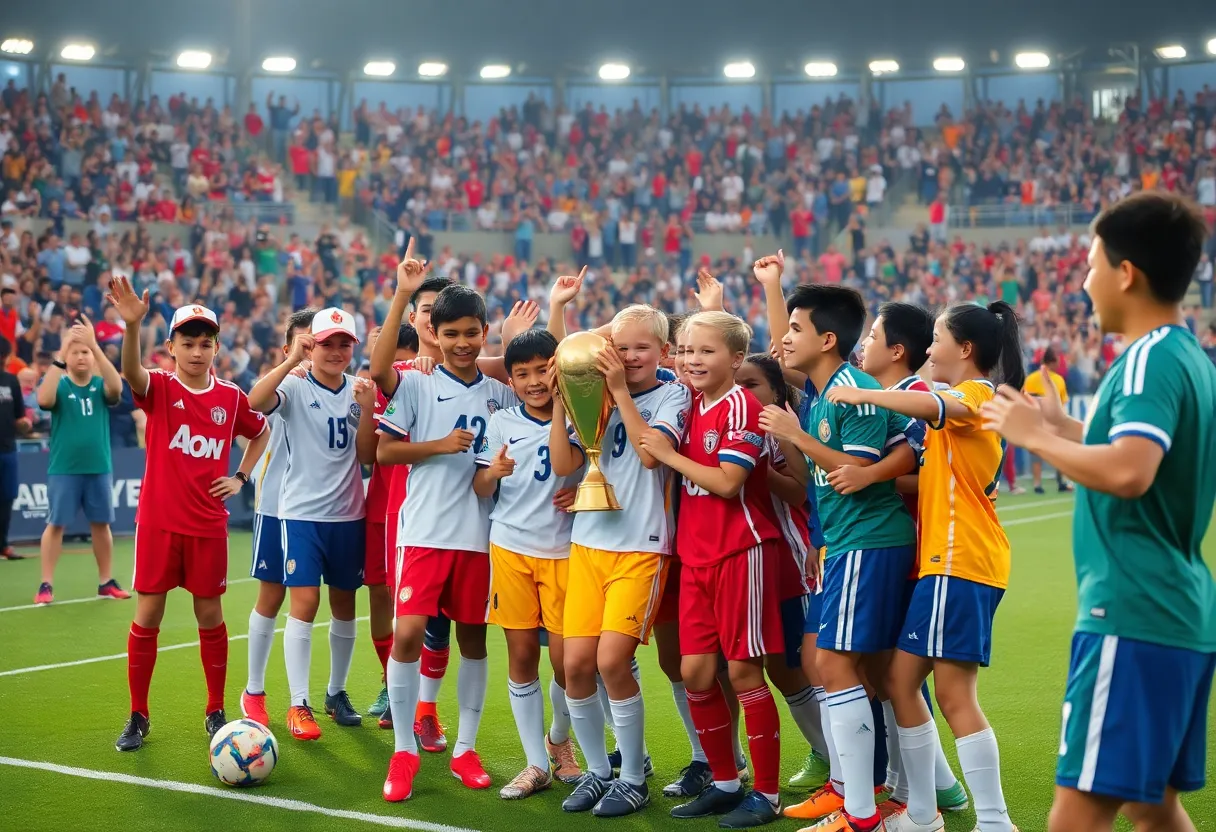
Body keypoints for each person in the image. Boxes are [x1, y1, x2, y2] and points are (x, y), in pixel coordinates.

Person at [982, 192, 1215, 832]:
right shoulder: (1185, 354)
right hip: (1175, 611)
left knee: (1077, 812)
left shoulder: (1146, 358)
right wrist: (1066, 427)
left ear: (1126, 273)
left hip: (1132, 610)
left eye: (1090, 265)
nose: (1083, 281)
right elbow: (1135, 454)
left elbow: (1130, 472)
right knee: (1152, 805)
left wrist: (1034, 438)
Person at [826, 300, 1024, 832]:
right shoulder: (963, 402)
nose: (928, 350)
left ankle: (993, 819)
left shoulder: (976, 394)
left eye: (936, 339)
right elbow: (926, 475)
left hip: (960, 563)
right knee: (899, 679)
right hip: (949, 563)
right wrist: (871, 476)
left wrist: (862, 392)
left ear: (965, 349)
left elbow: (944, 408)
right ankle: (922, 812)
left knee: (952, 694)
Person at [758, 285, 918, 832]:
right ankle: (883, 797)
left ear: (827, 340)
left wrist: (796, 436)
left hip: (869, 541)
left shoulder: (854, 390)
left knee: (831, 665)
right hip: (850, 544)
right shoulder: (829, 388)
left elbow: (853, 470)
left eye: (797, 330)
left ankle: (861, 813)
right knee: (864, 671)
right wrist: (772, 289)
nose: (785, 338)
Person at [637, 311, 786, 827]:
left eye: (706, 351)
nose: (692, 360)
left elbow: (727, 483)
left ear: (736, 359)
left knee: (745, 671)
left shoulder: (743, 405)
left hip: (740, 551)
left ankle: (766, 795)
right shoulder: (690, 401)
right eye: (686, 351)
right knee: (695, 671)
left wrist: (668, 456)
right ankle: (725, 781)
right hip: (695, 555)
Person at [106, 282, 270, 751]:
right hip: (158, 523)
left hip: (207, 526)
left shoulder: (232, 397)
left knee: (209, 614)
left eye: (205, 343)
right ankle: (138, 715)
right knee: (149, 613)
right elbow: (131, 372)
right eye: (188, 343)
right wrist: (133, 322)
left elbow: (258, 435)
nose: (197, 352)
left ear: (217, 346)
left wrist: (241, 476)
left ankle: (215, 709)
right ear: (171, 347)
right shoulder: (159, 386)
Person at [547, 303, 690, 817]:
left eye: (640, 348)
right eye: (621, 347)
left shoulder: (671, 394)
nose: (628, 357)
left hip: (641, 547)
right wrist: (565, 400)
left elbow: (651, 455)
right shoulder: (594, 393)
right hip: (588, 544)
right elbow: (564, 465)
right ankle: (598, 772)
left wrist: (622, 394)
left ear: (663, 352)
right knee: (573, 666)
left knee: (612, 662)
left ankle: (633, 778)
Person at [377, 281, 519, 801]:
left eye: (472, 333)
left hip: (480, 537)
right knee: (409, 634)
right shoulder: (415, 386)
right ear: (433, 334)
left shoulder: (501, 394)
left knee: (473, 641)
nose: (463, 343)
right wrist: (439, 446)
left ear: (485, 333)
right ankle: (404, 753)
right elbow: (384, 454)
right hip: (424, 533)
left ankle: (464, 748)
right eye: (452, 333)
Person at [828, 304, 969, 819]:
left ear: (896, 352)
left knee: (895, 675)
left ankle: (919, 793)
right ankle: (928, 785)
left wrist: (871, 475)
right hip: (902, 545)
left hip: (906, 546)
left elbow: (924, 469)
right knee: (888, 673)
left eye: (872, 336)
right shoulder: (900, 397)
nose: (862, 343)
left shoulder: (913, 396)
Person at [246, 307, 377, 741]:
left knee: (344, 607)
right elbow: (255, 402)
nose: (336, 352)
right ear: (311, 345)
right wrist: (290, 362)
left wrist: (367, 409)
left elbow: (364, 457)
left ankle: (335, 693)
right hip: (300, 514)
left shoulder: (358, 390)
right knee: (303, 604)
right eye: (327, 343)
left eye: (344, 344)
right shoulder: (296, 386)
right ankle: (297, 703)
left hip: (348, 515)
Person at [473, 328, 582, 799]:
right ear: (511, 381)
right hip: (512, 548)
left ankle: (559, 739)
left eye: (544, 370)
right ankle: (536, 764)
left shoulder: (581, 417)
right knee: (520, 657)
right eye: (523, 374)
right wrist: (490, 474)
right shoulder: (500, 424)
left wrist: (584, 492)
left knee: (568, 664)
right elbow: (480, 489)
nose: (535, 381)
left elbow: (596, 470)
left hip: (565, 551)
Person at [239, 307, 316, 729]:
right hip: (275, 503)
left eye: (316, 342)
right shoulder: (284, 381)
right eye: (303, 343)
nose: (310, 351)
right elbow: (254, 406)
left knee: (324, 600)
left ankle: (318, 697)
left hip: (320, 509)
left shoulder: (336, 380)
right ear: (287, 348)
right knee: (271, 596)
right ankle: (253, 691)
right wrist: (292, 366)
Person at [33, 314, 128, 605]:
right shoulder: (60, 385)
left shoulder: (100, 385)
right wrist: (61, 354)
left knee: (101, 525)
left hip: (98, 467)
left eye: (84, 351)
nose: (81, 356)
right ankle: (46, 584)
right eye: (76, 352)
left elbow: (118, 389)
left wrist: (94, 345)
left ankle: (106, 581)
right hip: (64, 468)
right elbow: (43, 400)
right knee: (56, 524)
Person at [361, 321, 423, 727]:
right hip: (381, 503)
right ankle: (389, 681)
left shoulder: (424, 381)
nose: (393, 372)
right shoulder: (373, 387)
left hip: (417, 506)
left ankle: (421, 703)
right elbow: (370, 454)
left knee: (415, 607)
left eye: (402, 362)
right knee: (381, 595)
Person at [1021, 348, 1072, 494]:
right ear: (1053, 362)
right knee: (1059, 452)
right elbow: (1063, 403)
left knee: (1037, 453)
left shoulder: (1030, 379)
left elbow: (1025, 399)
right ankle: (1061, 482)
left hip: (1036, 420)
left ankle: (1037, 484)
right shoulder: (1058, 379)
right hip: (1054, 422)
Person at [0, 344, 28, 560]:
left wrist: (26, 423)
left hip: (8, 448)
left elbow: (19, 415)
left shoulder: (11, 380)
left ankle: (3, 545)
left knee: (8, 497)